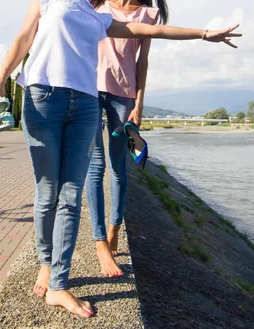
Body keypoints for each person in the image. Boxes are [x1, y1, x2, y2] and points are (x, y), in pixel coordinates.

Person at [0, 0, 241, 318]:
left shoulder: (100, 19)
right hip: (43, 98)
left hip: (85, 105)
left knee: (71, 195)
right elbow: (24, 37)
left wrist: (203, 33)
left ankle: (59, 285)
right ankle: (46, 263)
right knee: (47, 190)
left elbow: (155, 29)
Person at [87, 0, 167, 278]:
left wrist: (139, 104)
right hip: (90, 90)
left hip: (124, 96)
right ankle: (100, 240)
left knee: (118, 167)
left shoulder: (148, 14)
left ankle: (114, 228)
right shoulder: (97, 5)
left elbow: (142, 60)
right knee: (94, 167)